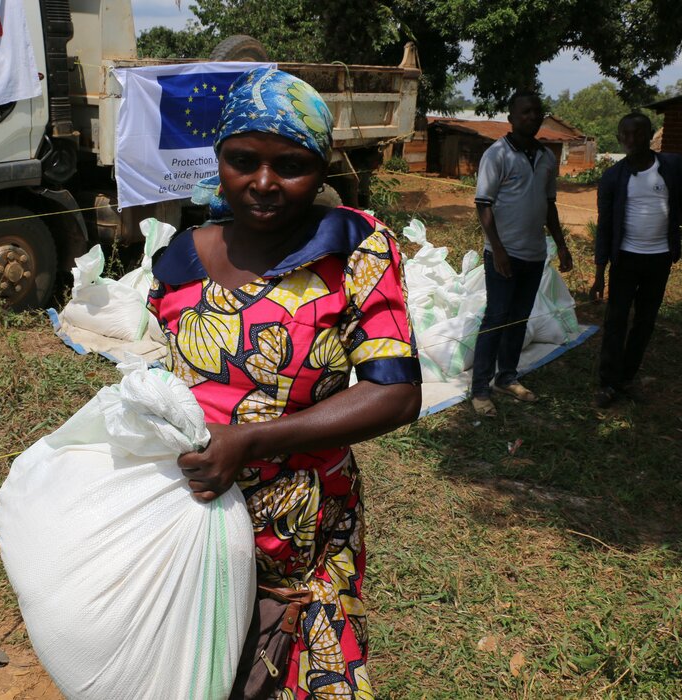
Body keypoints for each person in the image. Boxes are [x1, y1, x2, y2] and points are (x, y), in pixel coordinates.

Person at [146, 67, 422, 698]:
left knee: (308, 673)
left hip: (306, 533)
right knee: (205, 672)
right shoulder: (180, 259)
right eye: (243, 161)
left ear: (322, 169)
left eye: (291, 165)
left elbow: (397, 392)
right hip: (198, 525)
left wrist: (250, 440)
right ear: (220, 159)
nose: (264, 183)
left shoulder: (351, 248)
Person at [590, 112, 682, 407]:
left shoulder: (673, 167)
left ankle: (627, 378)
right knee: (616, 320)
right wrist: (599, 273)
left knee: (645, 322)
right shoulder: (613, 177)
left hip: (659, 259)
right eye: (625, 134)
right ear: (619, 138)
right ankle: (608, 383)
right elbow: (605, 227)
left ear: (650, 135)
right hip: (625, 260)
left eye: (638, 133)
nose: (631, 139)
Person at [469, 90, 573, 418]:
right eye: (525, 112)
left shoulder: (546, 157)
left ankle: (506, 377)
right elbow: (483, 204)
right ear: (511, 117)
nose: (531, 117)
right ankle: (480, 388)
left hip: (534, 254)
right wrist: (498, 250)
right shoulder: (497, 154)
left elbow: (549, 205)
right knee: (496, 319)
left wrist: (561, 244)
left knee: (519, 318)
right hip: (503, 254)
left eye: (536, 112)